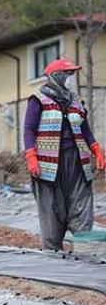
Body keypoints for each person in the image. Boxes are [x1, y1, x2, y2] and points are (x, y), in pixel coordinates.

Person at [24, 58, 106, 250]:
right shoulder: (39, 99)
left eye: (72, 74)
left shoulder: (76, 102)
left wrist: (96, 150)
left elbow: (85, 129)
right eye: (68, 74)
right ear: (56, 76)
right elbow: (28, 129)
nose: (71, 78)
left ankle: (85, 248)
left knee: (82, 203)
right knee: (51, 207)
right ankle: (53, 251)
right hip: (49, 165)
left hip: (76, 162)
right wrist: (31, 156)